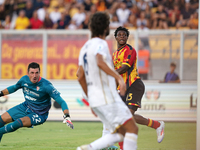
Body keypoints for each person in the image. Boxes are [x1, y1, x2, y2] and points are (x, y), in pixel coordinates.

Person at [76, 12, 138, 150]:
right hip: (107, 97)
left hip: (96, 99)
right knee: (132, 129)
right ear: (106, 29)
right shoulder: (101, 44)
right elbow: (99, 61)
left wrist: (90, 100)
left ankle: (87, 148)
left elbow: (80, 76)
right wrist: (119, 79)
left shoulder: (84, 48)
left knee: (121, 132)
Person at [112, 26, 165, 150]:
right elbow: (117, 75)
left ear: (127, 37)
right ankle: (157, 125)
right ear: (115, 37)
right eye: (119, 35)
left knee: (126, 117)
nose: (122, 37)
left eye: (124, 35)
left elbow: (124, 68)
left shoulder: (130, 50)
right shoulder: (115, 54)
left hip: (134, 85)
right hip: (123, 88)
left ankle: (157, 125)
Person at [0, 62, 74, 143]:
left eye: (36, 73)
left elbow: (62, 102)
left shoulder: (46, 86)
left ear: (39, 73)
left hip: (39, 114)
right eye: (32, 73)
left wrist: (67, 115)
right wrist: (1, 93)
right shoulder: (24, 80)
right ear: (28, 73)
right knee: (1, 120)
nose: (34, 76)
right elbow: (14, 88)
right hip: (25, 106)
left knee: (18, 123)